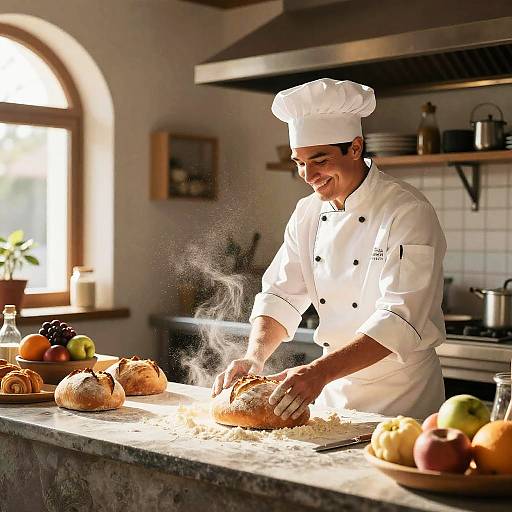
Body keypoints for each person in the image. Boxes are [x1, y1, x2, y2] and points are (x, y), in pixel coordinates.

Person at [212, 78, 446, 420]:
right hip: (332, 394)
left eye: (319, 160)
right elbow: (281, 295)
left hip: (402, 399)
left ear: (355, 147)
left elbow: (400, 318)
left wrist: (318, 372)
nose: (307, 174)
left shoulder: (407, 211)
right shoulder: (306, 212)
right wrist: (254, 356)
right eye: (298, 162)